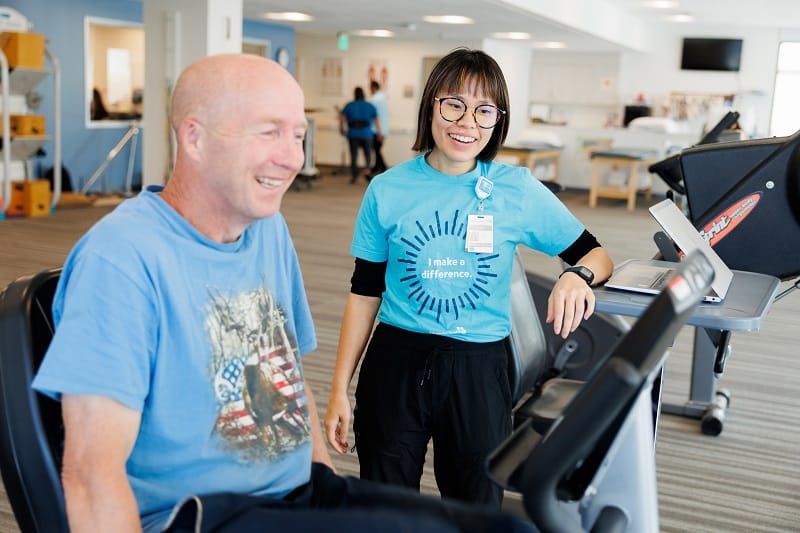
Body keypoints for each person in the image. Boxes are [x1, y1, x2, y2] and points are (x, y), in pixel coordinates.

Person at [31, 53, 533, 533]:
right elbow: (90, 477)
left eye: (298, 135)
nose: (293, 158)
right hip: (206, 513)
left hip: (297, 494)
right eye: (269, 132)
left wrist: (324, 482)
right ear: (194, 138)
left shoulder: (264, 228)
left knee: (498, 527)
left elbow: (284, 375)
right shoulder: (120, 257)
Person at [324, 48, 613, 509]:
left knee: (475, 506)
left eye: (484, 110)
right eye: (454, 104)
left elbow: (596, 254)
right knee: (385, 506)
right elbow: (364, 293)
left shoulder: (516, 189)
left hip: (478, 368)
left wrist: (577, 275)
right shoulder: (387, 189)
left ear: (498, 120)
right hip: (396, 361)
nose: (467, 122)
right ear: (432, 106)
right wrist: (339, 387)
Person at [339, 86, 382, 184]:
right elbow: (376, 120)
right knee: (368, 154)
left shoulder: (349, 105)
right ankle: (367, 171)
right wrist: (379, 132)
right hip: (366, 133)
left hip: (353, 133)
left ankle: (355, 177)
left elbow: (342, 118)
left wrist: (341, 129)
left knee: (354, 155)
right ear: (364, 94)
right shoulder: (369, 106)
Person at [368, 80, 389, 176]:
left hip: (377, 129)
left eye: (370, 88)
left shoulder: (375, 99)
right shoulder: (383, 98)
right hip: (383, 128)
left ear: (374, 88)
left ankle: (384, 168)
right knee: (377, 149)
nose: (370, 90)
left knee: (376, 149)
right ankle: (376, 168)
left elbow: (374, 116)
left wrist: (379, 132)